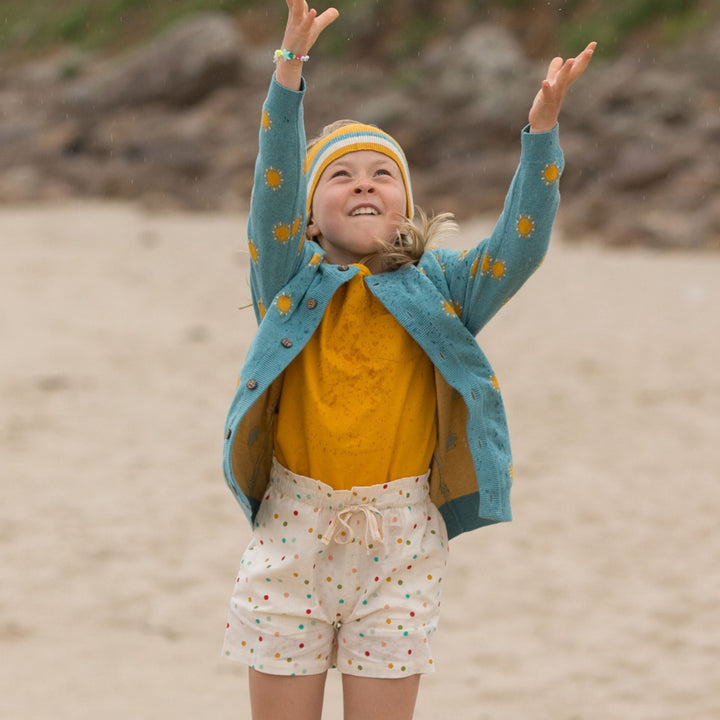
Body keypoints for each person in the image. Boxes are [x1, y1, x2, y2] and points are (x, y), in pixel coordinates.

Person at [221, 2, 596, 718]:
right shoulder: (287, 281)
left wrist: (541, 138)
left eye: (381, 174)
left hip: (400, 546)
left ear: (406, 203)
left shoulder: (442, 287)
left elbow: (520, 247)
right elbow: (268, 187)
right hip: (292, 539)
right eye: (340, 176)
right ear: (307, 213)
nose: (363, 183)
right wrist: (288, 73)